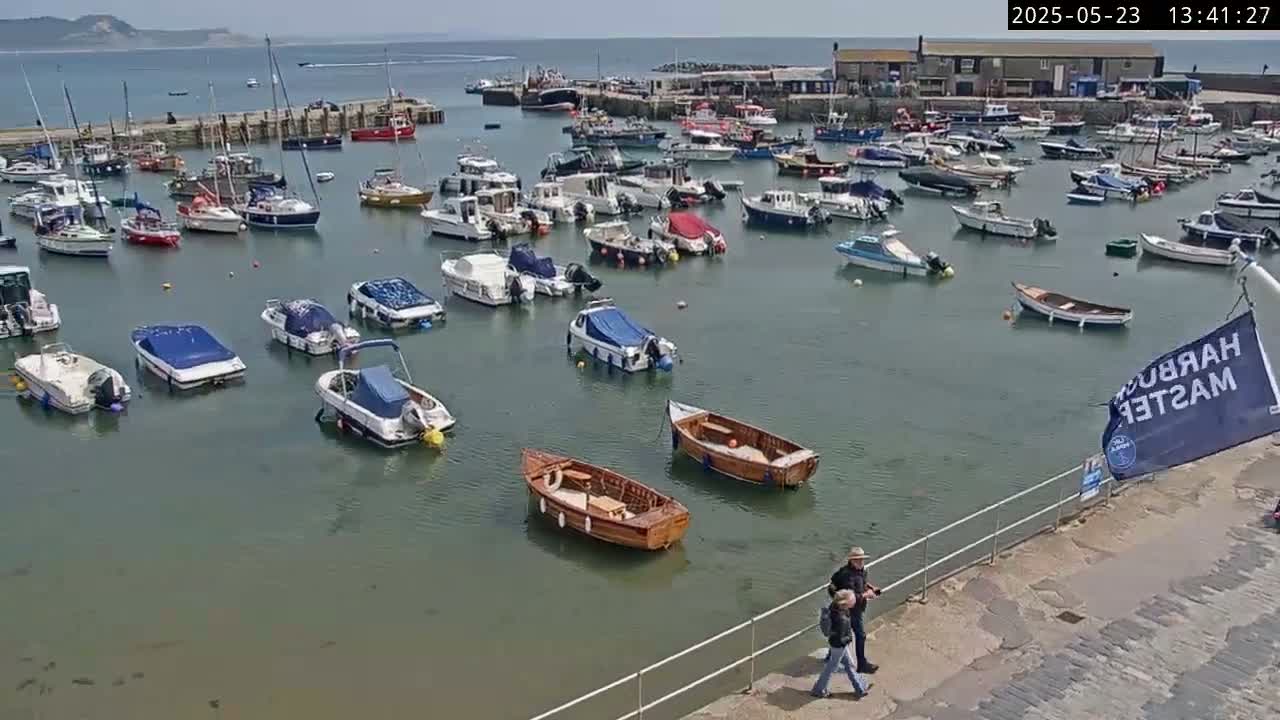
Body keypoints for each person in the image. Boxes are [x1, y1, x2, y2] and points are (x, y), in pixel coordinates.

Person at [829, 546, 880, 673]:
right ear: (851, 560)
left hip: (857, 608)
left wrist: (871, 588)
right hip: (851, 609)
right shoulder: (847, 576)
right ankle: (861, 664)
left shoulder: (860, 570)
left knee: (843, 633)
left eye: (862, 559)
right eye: (858, 559)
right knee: (860, 635)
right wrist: (867, 595)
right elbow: (851, 597)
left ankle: (830, 656)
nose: (861, 562)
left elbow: (862, 582)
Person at [811, 589, 869, 699]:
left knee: (848, 665)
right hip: (839, 645)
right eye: (852, 600)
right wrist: (849, 638)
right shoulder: (840, 618)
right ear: (845, 603)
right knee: (832, 667)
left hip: (838, 643)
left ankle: (860, 688)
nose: (854, 601)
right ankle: (818, 689)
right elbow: (841, 636)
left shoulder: (836, 608)